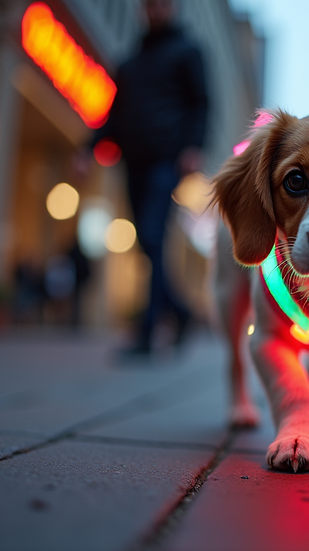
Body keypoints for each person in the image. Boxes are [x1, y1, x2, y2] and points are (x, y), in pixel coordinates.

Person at [91, 0, 208, 355]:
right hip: (133, 160)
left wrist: (192, 146)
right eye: (150, 4)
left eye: (162, 4)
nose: (155, 9)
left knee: (154, 235)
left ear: (173, 9)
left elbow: (201, 102)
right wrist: (87, 149)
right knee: (146, 242)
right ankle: (181, 312)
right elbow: (113, 113)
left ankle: (147, 332)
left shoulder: (187, 52)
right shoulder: (131, 62)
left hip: (165, 159)